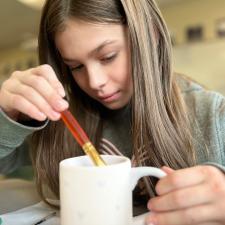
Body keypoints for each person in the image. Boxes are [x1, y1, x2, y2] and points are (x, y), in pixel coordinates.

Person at [0, 0, 225, 224]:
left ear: (152, 35)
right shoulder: (58, 119)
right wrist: (7, 116)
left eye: (108, 56)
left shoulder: (214, 115)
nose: (95, 82)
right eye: (75, 67)